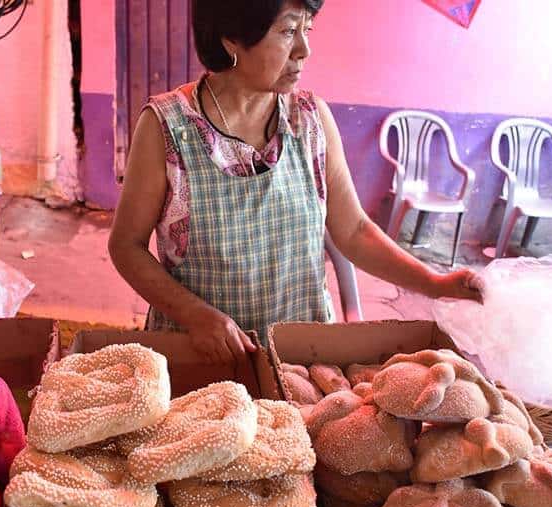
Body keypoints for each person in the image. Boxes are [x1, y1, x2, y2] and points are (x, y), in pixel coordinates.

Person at [109, 0, 481, 364]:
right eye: (288, 31)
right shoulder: (168, 128)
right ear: (231, 38)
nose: (304, 50)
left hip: (304, 360)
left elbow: (353, 231)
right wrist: (195, 315)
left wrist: (436, 284)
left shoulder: (310, 120)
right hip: (201, 356)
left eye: (307, 29)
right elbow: (127, 246)